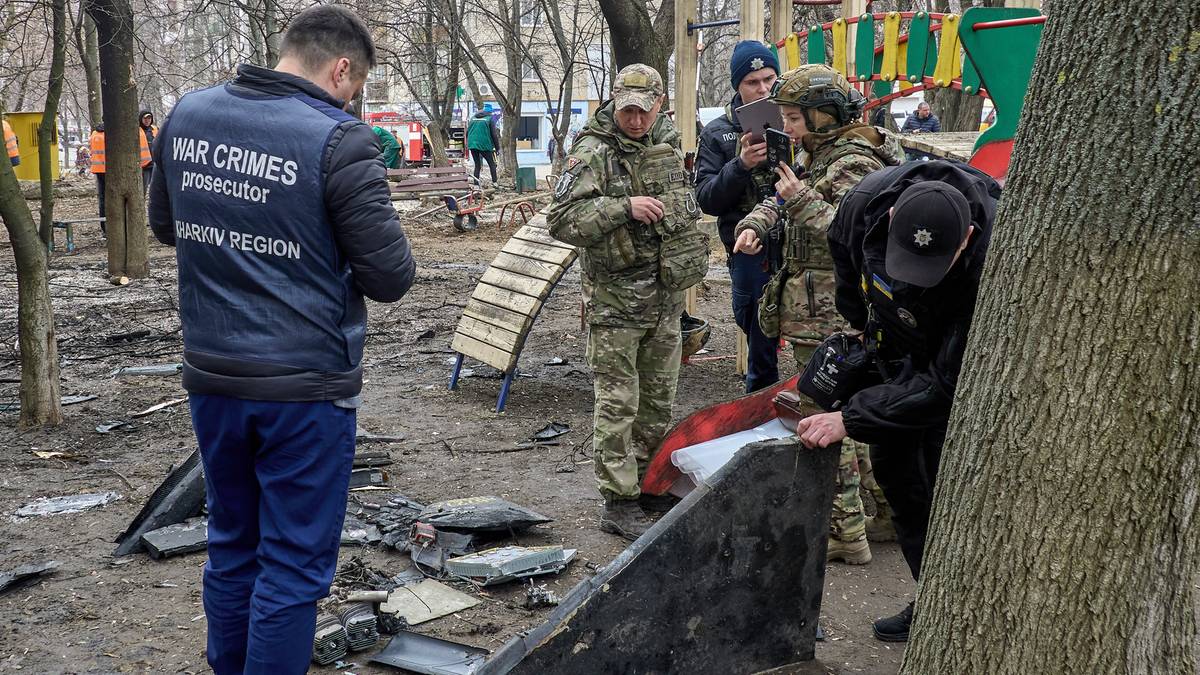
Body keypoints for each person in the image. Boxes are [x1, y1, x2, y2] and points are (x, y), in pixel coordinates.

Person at [147, 6, 415, 673]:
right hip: (303, 387)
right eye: (353, 89)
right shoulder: (338, 139)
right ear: (342, 68)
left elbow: (166, 226)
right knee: (293, 565)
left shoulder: (189, 115)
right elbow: (391, 276)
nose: (350, 100)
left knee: (234, 541)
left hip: (212, 374)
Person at [797, 159, 1002, 642]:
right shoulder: (864, 205)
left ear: (967, 239)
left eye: (930, 267)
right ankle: (932, 598)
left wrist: (850, 418)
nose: (914, 276)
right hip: (893, 335)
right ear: (891, 223)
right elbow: (845, 262)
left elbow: (946, 385)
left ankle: (959, 604)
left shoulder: (994, 254)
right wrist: (862, 331)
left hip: (954, 352)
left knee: (945, 481)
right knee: (898, 474)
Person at [734, 64, 904, 566]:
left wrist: (799, 200)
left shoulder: (852, 160)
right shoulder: (820, 152)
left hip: (832, 308)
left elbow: (859, 233)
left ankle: (844, 531)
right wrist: (757, 223)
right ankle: (886, 514)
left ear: (824, 114)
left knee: (828, 415)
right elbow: (784, 197)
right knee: (851, 408)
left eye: (793, 117)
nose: (785, 127)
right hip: (816, 305)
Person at [548, 64, 708, 541]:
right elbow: (560, 220)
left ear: (659, 104)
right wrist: (624, 207)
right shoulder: (591, 152)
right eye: (627, 111)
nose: (635, 119)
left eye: (643, 110)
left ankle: (648, 484)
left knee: (658, 402)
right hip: (615, 304)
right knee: (619, 404)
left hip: (664, 300)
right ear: (615, 104)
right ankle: (618, 500)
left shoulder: (666, 143)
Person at [694, 40, 781, 393]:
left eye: (769, 79)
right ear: (737, 86)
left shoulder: (794, 118)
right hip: (747, 248)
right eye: (752, 82)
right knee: (755, 326)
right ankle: (759, 403)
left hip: (793, 243)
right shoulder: (718, 132)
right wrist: (742, 164)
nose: (763, 89)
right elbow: (706, 198)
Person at [90, 122, 151, 231]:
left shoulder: (95, 133)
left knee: (104, 199)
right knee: (122, 197)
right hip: (118, 170)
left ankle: (107, 228)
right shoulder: (126, 132)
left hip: (100, 170)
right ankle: (123, 226)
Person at [467, 104, 500, 184]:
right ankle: (495, 183)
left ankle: (476, 185)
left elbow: (467, 133)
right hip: (484, 145)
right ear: (490, 112)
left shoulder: (473, 118)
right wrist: (497, 148)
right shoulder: (489, 119)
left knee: (477, 165)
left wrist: (469, 143)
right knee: (492, 164)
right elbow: (494, 135)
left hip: (472, 145)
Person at [139, 109, 157, 193]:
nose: (147, 120)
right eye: (145, 118)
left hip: (155, 164)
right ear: (141, 119)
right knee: (143, 188)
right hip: (144, 165)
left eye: (149, 118)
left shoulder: (155, 129)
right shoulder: (137, 130)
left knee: (155, 188)